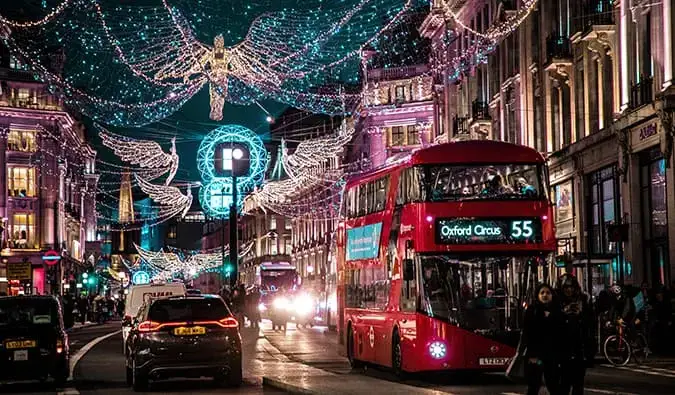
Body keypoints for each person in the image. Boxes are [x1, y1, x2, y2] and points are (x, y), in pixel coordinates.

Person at [557, 274, 595, 395]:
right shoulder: (557, 301)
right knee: (564, 383)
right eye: (566, 287)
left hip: (579, 347)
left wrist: (580, 314)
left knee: (578, 384)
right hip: (563, 348)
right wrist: (564, 313)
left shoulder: (583, 300)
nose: (569, 290)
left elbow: (590, 322)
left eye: (571, 287)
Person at [521, 283, 562, 395]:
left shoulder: (557, 311)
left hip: (552, 355)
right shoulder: (532, 310)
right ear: (537, 295)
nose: (545, 295)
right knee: (534, 385)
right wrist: (532, 354)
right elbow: (528, 333)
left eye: (548, 293)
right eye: (542, 293)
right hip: (536, 355)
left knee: (553, 385)